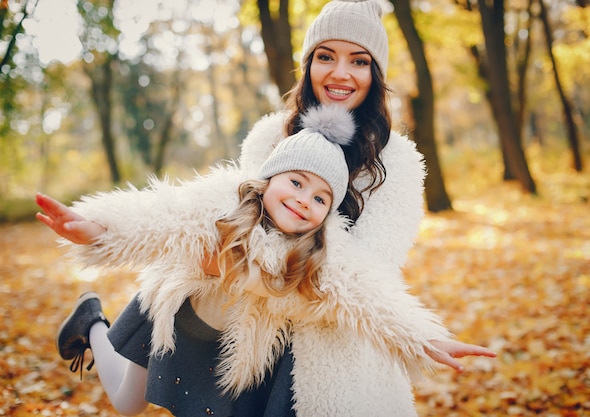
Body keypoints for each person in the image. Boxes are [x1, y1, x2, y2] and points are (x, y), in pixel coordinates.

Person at [40, 0, 496, 416]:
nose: (340, 73)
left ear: (376, 74)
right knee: (128, 401)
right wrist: (102, 229)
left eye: (359, 61)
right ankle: (93, 325)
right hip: (229, 305)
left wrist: (420, 336)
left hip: (316, 329)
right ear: (308, 64)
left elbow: (366, 276)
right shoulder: (268, 136)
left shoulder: (396, 163)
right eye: (325, 56)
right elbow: (206, 209)